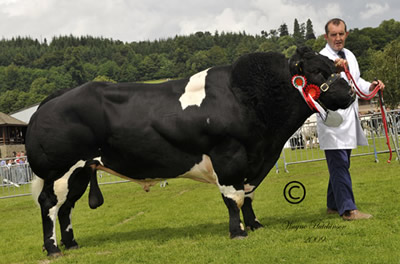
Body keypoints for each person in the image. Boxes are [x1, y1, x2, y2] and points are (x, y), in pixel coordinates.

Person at [317, 18, 385, 220]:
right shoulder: (321, 59)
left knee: (341, 164)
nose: (338, 38)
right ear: (326, 37)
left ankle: (333, 204)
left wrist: (371, 86)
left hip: (348, 120)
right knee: (339, 163)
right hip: (333, 121)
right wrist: (333, 71)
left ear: (346, 34)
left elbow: (357, 81)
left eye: (341, 34)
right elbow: (321, 88)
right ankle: (348, 210)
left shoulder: (350, 55)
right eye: (333, 35)